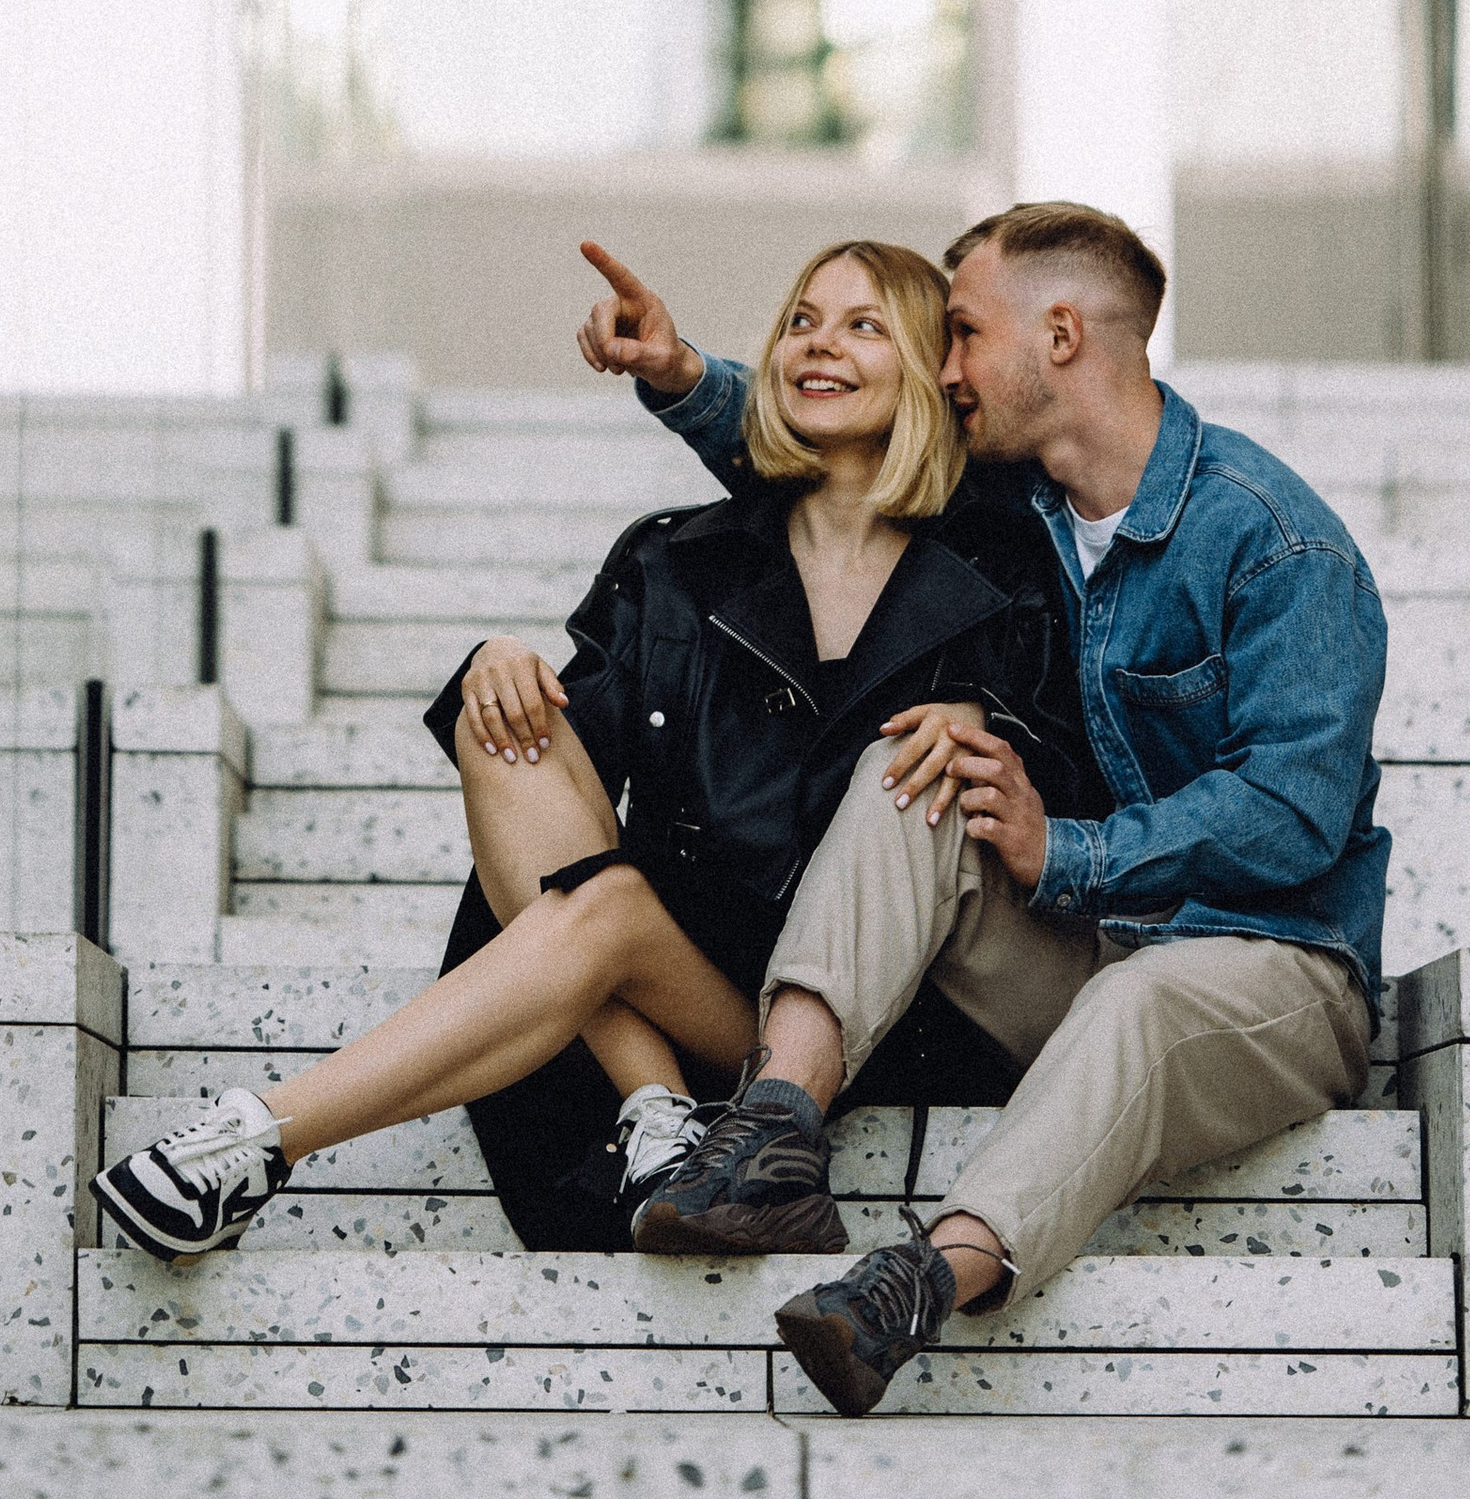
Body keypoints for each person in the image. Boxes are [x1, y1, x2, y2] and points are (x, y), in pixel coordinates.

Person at [92, 239, 1101, 1264]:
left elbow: (1066, 786)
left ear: (933, 368)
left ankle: (266, 1130)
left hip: (875, 1015)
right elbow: (551, 795)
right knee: (507, 721)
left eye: (862, 324)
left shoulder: (1010, 566)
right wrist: (497, 664)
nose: (816, 344)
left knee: (607, 911)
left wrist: (989, 728)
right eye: (800, 319)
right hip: (694, 981)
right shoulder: (673, 555)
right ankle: (653, 1105)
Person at [577, 204, 1389, 1416]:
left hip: (1273, 972)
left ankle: (921, 1274)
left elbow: (1292, 812)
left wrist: (1066, 845)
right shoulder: (1027, 506)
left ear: (1058, 334)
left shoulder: (1273, 543)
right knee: (919, 759)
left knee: (1146, 995)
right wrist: (683, 373)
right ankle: (773, 1133)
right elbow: (836, 448)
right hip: (1094, 938)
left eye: (960, 332)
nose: (942, 367)